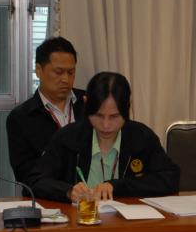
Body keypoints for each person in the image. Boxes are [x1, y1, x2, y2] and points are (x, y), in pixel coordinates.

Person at [31, 71, 179, 201]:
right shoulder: (68, 138)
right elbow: (35, 180)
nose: (106, 125)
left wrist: (117, 186)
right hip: (78, 219)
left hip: (127, 221)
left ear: (128, 107)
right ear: (86, 104)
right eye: (98, 115)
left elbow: (170, 178)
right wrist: (68, 191)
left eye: (114, 116)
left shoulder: (141, 137)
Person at [6, 36, 86, 186]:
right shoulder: (21, 117)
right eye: (58, 72)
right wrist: (67, 191)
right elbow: (25, 174)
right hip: (47, 196)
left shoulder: (89, 104)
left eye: (71, 72)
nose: (65, 79)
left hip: (93, 193)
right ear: (38, 70)